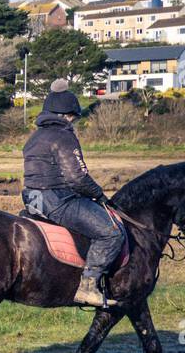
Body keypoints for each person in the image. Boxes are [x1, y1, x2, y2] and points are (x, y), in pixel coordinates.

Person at [21, 79, 122, 307]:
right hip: (57, 200)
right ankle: (88, 287)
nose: (74, 122)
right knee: (111, 233)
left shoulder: (34, 137)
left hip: (32, 199)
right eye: (74, 118)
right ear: (67, 115)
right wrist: (98, 195)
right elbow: (77, 177)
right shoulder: (64, 137)